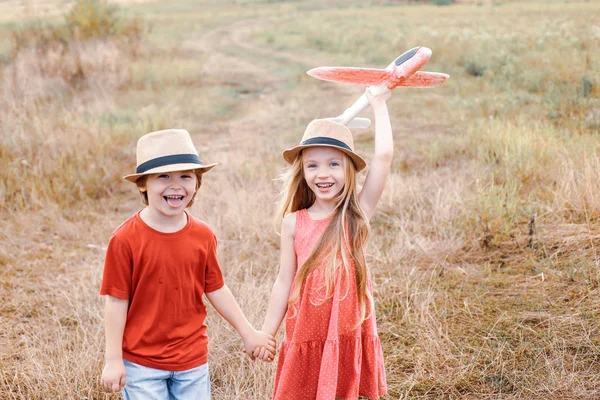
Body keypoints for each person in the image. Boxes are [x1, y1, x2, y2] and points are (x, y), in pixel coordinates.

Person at [99, 128, 276, 399]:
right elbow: (115, 301)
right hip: (141, 362)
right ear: (142, 184)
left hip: (192, 359)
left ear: (197, 183)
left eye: (185, 176)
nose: (176, 185)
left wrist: (248, 332)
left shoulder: (202, 235)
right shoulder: (125, 239)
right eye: (163, 177)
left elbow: (216, 288)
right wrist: (113, 360)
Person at [255, 90, 392, 399]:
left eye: (334, 164)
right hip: (306, 328)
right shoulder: (294, 221)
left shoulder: (356, 213)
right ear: (302, 173)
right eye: (312, 165)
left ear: (349, 170)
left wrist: (379, 104)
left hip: (345, 327)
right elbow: (283, 281)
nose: (323, 173)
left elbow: (383, 157)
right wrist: (267, 331)